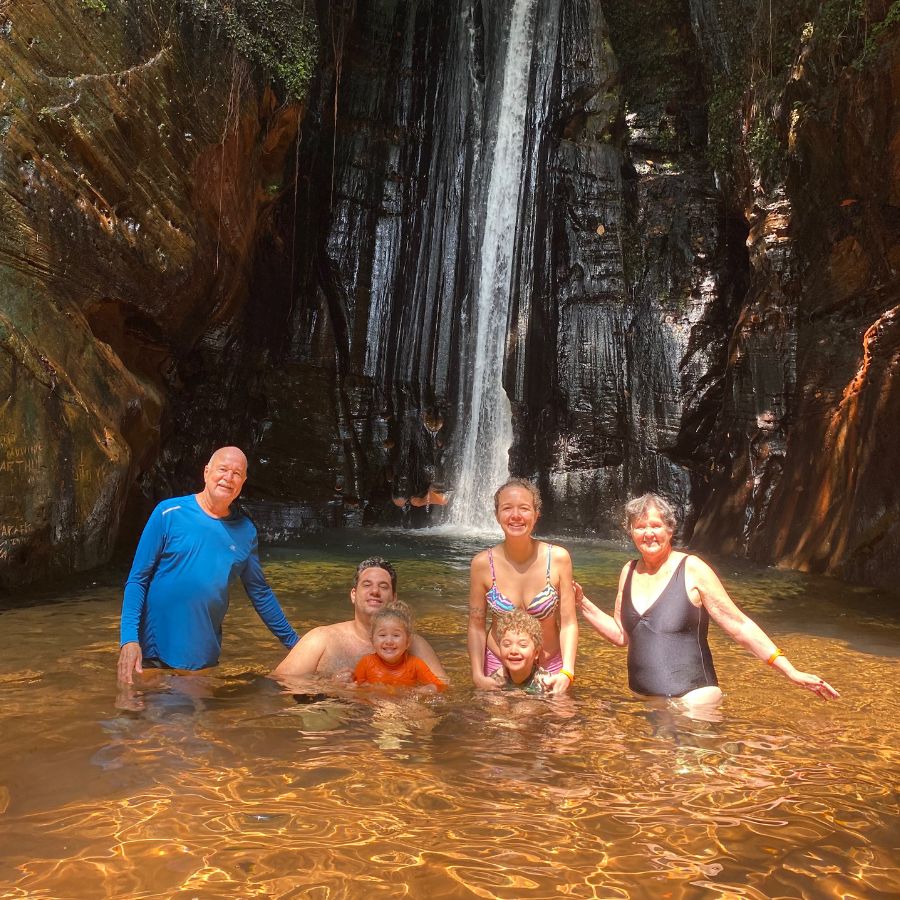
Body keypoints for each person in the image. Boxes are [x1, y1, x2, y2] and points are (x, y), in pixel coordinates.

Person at [577, 492, 840, 707]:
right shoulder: (629, 571)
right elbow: (621, 636)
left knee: (696, 771)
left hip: (692, 702)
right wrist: (581, 602)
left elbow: (739, 626)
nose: (649, 534)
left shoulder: (692, 569)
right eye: (640, 527)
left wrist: (790, 671)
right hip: (643, 703)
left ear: (670, 529)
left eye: (656, 525)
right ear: (631, 532)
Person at [117, 446, 299, 683]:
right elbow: (137, 580)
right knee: (139, 715)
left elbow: (260, 593)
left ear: (243, 481)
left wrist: (295, 644)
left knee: (194, 717)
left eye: (236, 473)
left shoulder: (245, 531)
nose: (228, 478)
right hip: (152, 649)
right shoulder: (168, 513)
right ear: (206, 472)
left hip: (200, 655)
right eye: (223, 469)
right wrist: (129, 640)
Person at [467, 478, 577, 694]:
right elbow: (476, 626)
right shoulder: (482, 564)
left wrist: (567, 672)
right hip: (498, 663)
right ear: (497, 515)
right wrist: (477, 674)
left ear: (536, 514)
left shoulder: (558, 558)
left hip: (551, 665)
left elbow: (569, 623)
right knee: (495, 726)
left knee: (556, 725)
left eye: (524, 509)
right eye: (507, 508)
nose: (515, 516)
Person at [272, 557, 447, 682]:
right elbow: (278, 683)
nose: (375, 591)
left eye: (383, 586)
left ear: (394, 598)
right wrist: (327, 685)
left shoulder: (414, 643)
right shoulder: (322, 638)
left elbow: (444, 689)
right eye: (367, 585)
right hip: (336, 724)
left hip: (392, 724)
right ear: (354, 595)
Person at [353, 600, 447, 691]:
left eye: (396, 635)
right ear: (372, 641)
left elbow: (440, 685)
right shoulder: (366, 664)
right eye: (382, 635)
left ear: (407, 642)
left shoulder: (415, 665)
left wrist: (430, 688)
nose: (389, 641)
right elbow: (353, 689)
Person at [490, 609, 551, 694]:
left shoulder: (545, 681)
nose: (513, 651)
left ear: (536, 653)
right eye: (507, 645)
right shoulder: (495, 680)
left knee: (523, 707)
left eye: (523, 645)